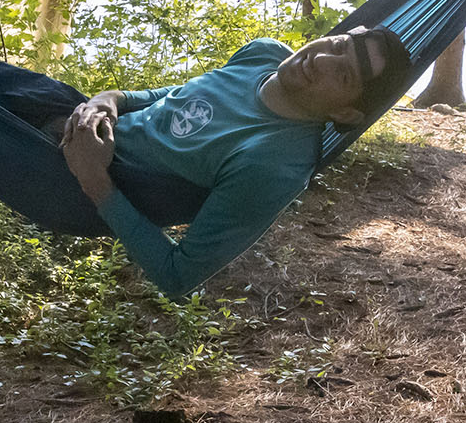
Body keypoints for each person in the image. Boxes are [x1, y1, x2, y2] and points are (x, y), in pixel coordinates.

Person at [57, 25, 410, 298]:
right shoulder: (264, 53)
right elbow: (176, 97)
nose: (320, 60)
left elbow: (178, 276)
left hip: (66, 174)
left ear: (345, 113)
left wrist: (95, 181)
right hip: (77, 114)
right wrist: (112, 98)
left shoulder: (275, 164)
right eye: (338, 45)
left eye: (344, 75)